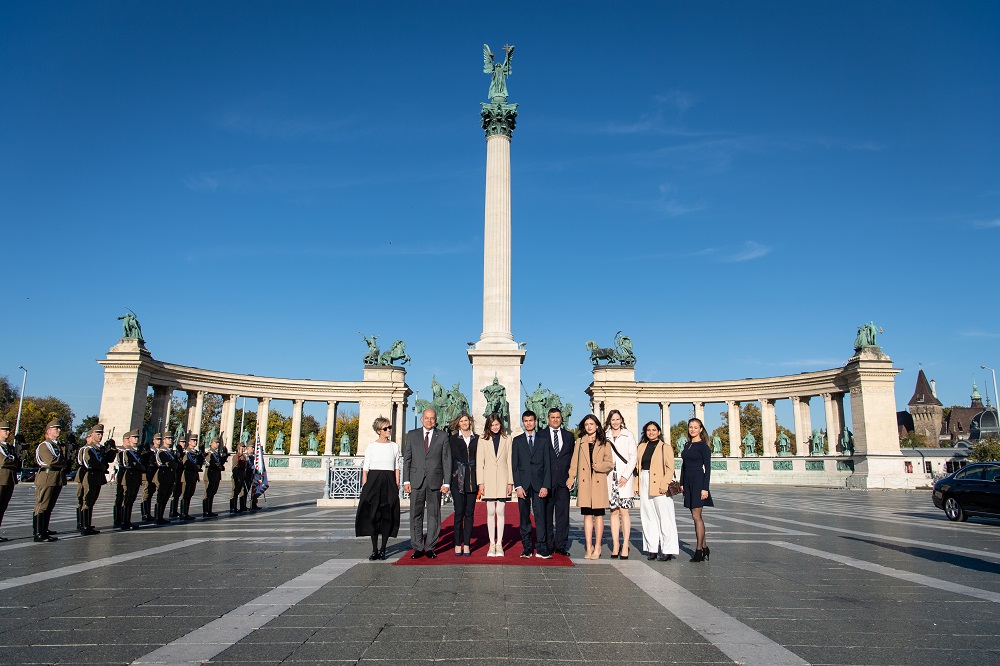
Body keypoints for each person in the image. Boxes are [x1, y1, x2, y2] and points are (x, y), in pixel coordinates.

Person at [403, 408, 451, 559]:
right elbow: (407, 459)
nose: (429, 421)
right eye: (426, 418)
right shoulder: (412, 435)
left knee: (434, 515)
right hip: (416, 481)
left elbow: (446, 460)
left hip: (434, 482)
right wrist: (406, 480)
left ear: (436, 420)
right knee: (415, 515)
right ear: (422, 419)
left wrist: (447, 483)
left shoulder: (442, 436)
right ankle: (417, 547)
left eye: (432, 418)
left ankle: (430, 547)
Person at [567, 414, 614, 559]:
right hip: (585, 482)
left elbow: (610, 463)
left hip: (598, 482)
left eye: (591, 424)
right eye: (586, 424)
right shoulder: (579, 442)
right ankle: (588, 546)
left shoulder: (604, 442)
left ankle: (598, 546)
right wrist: (571, 477)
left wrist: (599, 466)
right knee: (587, 516)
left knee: (599, 516)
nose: (589, 426)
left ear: (597, 426)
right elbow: (574, 462)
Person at [356, 417, 401, 561]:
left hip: (389, 480)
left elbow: (397, 466)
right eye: (386, 428)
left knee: (387, 515)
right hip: (373, 480)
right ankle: (374, 549)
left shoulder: (394, 446)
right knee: (373, 515)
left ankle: (383, 549)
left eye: (390, 427)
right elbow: (366, 466)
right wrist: (365, 483)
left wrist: (397, 483)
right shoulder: (371, 446)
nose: (389, 430)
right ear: (378, 431)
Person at [636, 421, 679, 561]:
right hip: (644, 480)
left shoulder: (665, 447)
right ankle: (652, 548)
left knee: (665, 516)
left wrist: (665, 483)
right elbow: (638, 467)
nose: (651, 432)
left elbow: (670, 467)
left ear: (659, 432)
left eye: (654, 430)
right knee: (647, 516)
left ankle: (668, 549)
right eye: (648, 430)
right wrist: (636, 485)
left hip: (660, 483)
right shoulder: (641, 447)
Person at [511, 410, 551, 558]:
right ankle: (527, 547)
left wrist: (546, 485)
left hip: (539, 485)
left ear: (535, 422)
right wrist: (518, 486)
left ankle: (541, 547)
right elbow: (514, 465)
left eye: (531, 421)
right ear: (523, 422)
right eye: (526, 421)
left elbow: (547, 465)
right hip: (524, 486)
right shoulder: (517, 441)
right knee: (524, 518)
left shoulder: (543, 441)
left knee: (540, 517)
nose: (528, 423)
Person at [537, 407, 575, 556]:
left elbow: (572, 459)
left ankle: (561, 545)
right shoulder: (540, 435)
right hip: (546, 483)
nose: (555, 420)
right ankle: (548, 544)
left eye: (558, 417)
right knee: (546, 516)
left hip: (563, 482)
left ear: (561, 419)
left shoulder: (569, 436)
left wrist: (572, 478)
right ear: (548, 419)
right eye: (552, 417)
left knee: (563, 516)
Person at [477, 413, 513, 557]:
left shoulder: (507, 439)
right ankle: (492, 543)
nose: (495, 427)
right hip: (489, 479)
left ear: (501, 425)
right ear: (488, 425)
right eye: (492, 425)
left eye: (497, 424)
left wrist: (510, 481)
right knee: (490, 511)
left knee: (501, 512)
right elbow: (480, 462)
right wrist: (481, 482)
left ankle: (500, 544)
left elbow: (509, 461)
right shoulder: (482, 439)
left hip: (503, 479)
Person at [604, 410, 637, 559]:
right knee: (613, 511)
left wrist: (625, 476)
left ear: (621, 420)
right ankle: (615, 544)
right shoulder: (605, 435)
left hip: (624, 477)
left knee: (624, 511)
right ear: (609, 421)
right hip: (610, 477)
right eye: (613, 419)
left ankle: (625, 544)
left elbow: (633, 457)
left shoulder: (628, 435)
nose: (615, 422)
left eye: (617, 419)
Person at [681, 418, 713, 562]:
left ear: (701, 429)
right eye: (690, 427)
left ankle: (699, 550)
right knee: (694, 516)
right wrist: (682, 483)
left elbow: (708, 468)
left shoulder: (703, 446)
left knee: (696, 516)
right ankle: (705, 547)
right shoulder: (687, 445)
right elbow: (684, 465)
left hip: (698, 481)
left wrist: (705, 488)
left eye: (695, 427)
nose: (693, 429)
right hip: (687, 481)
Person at [448, 412, 478, 556]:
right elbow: (449, 461)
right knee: (459, 512)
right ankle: (457, 543)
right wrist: (447, 482)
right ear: (458, 423)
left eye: (466, 420)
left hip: (473, 479)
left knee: (469, 513)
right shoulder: (452, 439)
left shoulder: (478, 439)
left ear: (470, 421)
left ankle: (467, 544)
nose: (464, 423)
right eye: (462, 421)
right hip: (457, 479)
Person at [34, 420, 67, 542]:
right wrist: (63, 463)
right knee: (42, 505)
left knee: (49, 506)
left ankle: (44, 530)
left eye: (58, 428)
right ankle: (38, 533)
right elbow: (50, 461)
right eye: (55, 428)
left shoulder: (56, 445)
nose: (58, 430)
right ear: (48, 431)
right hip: (47, 477)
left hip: (56, 477)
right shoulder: (44, 445)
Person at [77, 424, 108, 535]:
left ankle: (87, 524)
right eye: (98, 434)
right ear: (92, 435)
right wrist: (101, 466)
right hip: (89, 476)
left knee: (92, 501)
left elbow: (105, 461)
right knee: (86, 500)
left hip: (97, 477)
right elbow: (88, 463)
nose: (100, 436)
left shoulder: (98, 449)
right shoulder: (87, 449)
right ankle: (84, 526)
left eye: (101, 434)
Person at [116, 430, 144, 530]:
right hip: (129, 477)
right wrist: (139, 466)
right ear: (129, 439)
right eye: (134, 437)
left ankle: (127, 520)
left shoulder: (136, 451)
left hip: (135, 477)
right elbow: (127, 464)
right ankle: (123, 521)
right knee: (126, 499)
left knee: (131, 499)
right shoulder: (126, 451)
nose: (136, 439)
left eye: (137, 437)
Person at [0, 421, 19, 541]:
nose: (7, 432)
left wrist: (12, 459)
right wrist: (12, 460)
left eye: (8, 430)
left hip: (9, 479)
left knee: (2, 507)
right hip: (1, 478)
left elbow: (15, 461)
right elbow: (3, 461)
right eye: (4, 430)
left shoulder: (9, 447)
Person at [153, 434, 176, 524]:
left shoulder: (169, 452)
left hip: (170, 476)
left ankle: (161, 516)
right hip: (163, 475)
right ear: (164, 440)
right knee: (161, 497)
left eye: (171, 438)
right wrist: (173, 463)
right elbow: (170, 463)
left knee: (166, 497)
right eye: (168, 438)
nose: (170, 440)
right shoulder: (161, 451)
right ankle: (157, 517)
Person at [179, 434, 203, 520]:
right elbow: (186, 463)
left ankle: (186, 512)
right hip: (187, 475)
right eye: (193, 440)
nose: (195, 442)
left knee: (190, 494)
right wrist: (196, 467)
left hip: (193, 476)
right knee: (185, 495)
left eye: (196, 440)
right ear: (189, 442)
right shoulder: (186, 452)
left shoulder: (195, 452)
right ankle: (183, 513)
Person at [202, 438, 226, 518]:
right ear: (211, 443)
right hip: (210, 475)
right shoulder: (210, 453)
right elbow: (210, 463)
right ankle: (205, 511)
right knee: (208, 493)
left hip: (216, 475)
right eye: (216, 443)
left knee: (212, 493)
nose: (217, 444)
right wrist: (219, 467)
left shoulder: (216, 453)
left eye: (218, 443)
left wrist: (224, 457)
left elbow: (219, 462)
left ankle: (209, 510)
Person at [139, 433, 159, 522]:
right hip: (148, 474)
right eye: (157, 439)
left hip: (155, 475)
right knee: (146, 494)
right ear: (153, 441)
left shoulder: (159, 451)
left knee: (150, 494)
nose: (159, 441)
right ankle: (145, 514)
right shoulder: (150, 451)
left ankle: (149, 513)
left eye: (160, 439)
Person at [231, 444, 249, 513]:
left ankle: (242, 506)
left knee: (242, 491)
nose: (245, 448)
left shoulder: (244, 456)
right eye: (243, 447)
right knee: (235, 492)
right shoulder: (236, 457)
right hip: (238, 476)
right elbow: (234, 468)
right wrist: (236, 477)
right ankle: (233, 507)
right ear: (240, 448)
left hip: (242, 476)